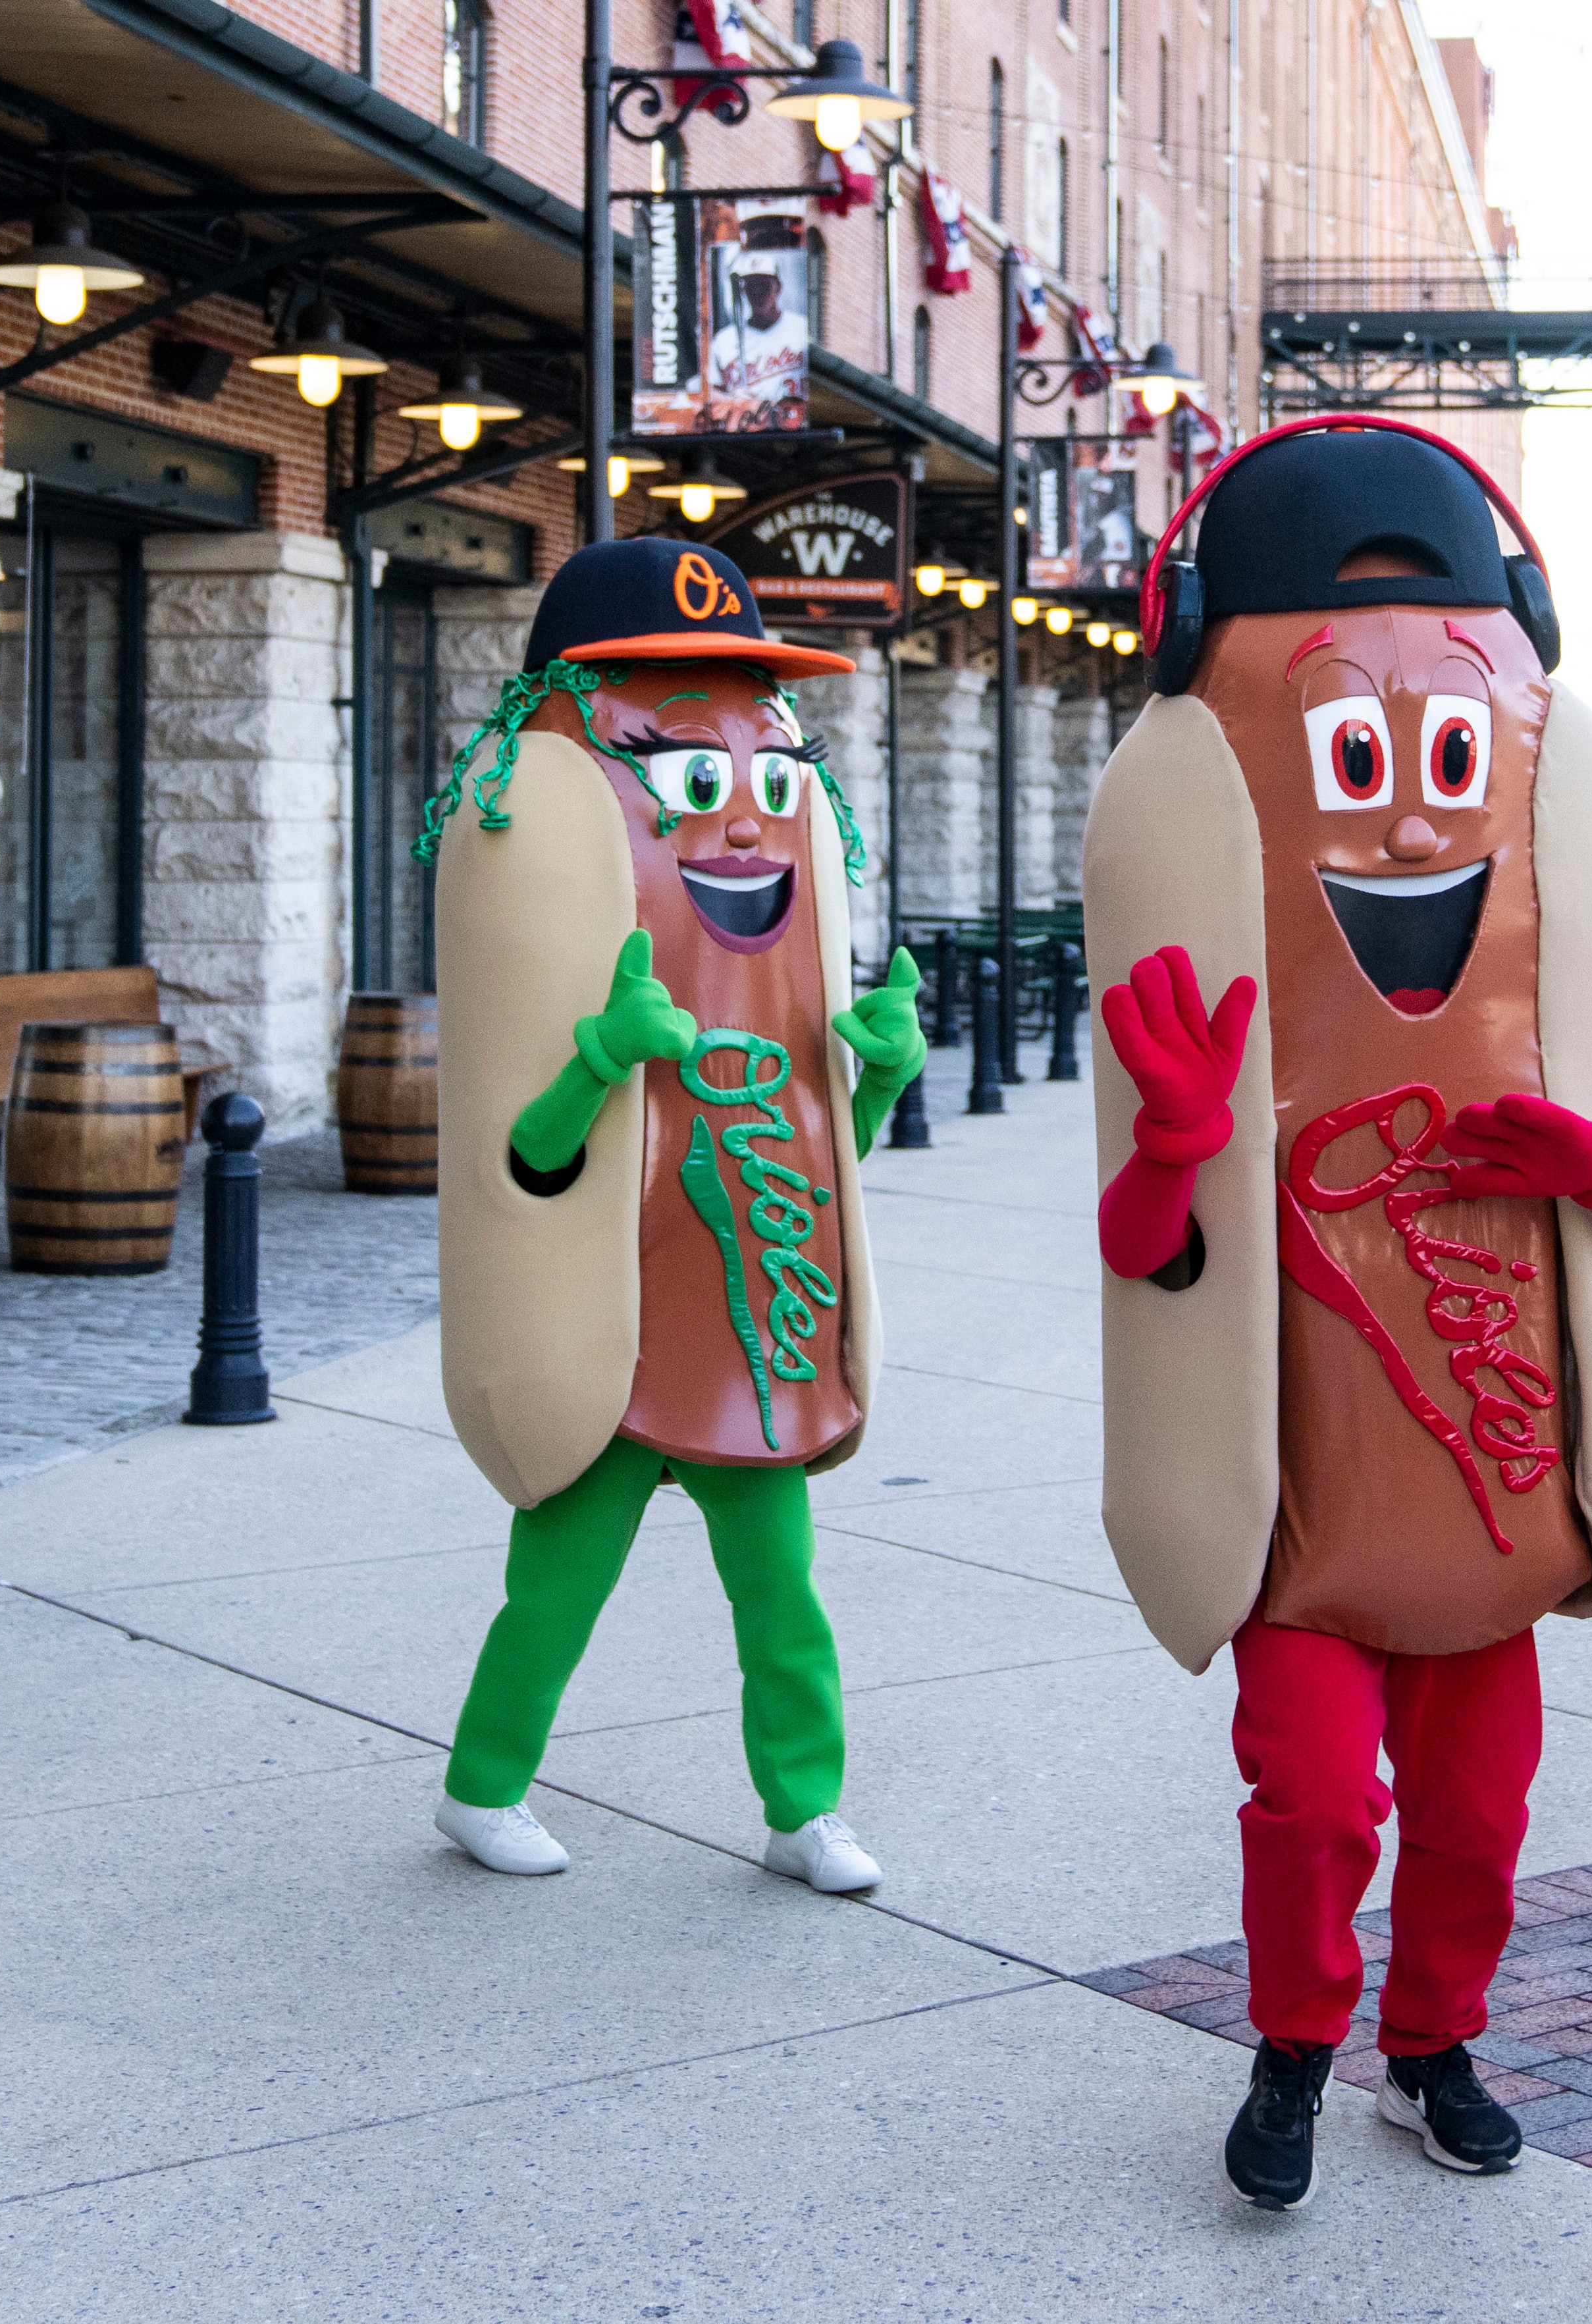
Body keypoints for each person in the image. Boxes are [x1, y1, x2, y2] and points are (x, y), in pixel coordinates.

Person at [1082, 417, 1592, 2209]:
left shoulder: (1544, 1012)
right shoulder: (1220, 987)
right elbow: (1148, 1262)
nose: (1416, 811)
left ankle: (1431, 2046)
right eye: (1358, 755)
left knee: (1482, 1821)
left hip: (1495, 1506)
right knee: (1315, 1803)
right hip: (1302, 1518)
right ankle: (1293, 2047)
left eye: (1447, 756)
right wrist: (1183, 1142)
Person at [417, 537, 928, 1891]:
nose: (745, 818)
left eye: (764, 771)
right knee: (556, 1591)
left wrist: (870, 1076)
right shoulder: (559, 893)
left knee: (783, 1601)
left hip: (750, 1325)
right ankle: (481, 1786)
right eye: (694, 778)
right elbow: (520, 1165)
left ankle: (803, 1808)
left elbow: (826, 1165)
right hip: (610, 1330)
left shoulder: (785, 957)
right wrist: (599, 1056)